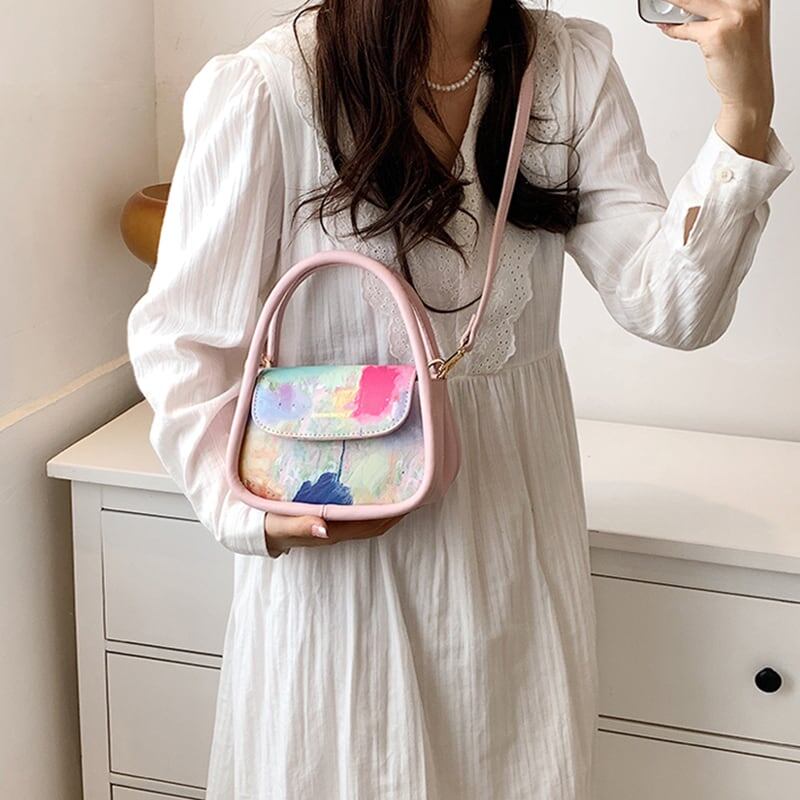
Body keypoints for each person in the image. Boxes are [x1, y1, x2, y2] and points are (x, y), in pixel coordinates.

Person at [126, 1, 793, 797]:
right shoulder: (272, 89)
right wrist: (251, 516)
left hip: (517, 567)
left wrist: (744, 112)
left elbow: (672, 308)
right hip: (345, 582)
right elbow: (184, 344)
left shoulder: (567, 71)